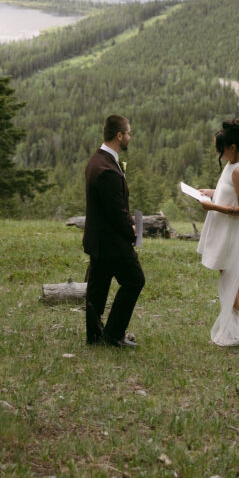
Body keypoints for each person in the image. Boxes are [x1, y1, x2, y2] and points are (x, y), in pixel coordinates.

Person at [83, 114, 145, 350]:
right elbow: (116, 213)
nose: (130, 137)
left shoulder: (97, 160)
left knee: (97, 287)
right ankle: (113, 334)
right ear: (119, 135)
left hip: (99, 239)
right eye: (129, 133)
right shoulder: (107, 169)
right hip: (111, 242)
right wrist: (133, 231)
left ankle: (95, 335)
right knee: (134, 281)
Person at [197, 118, 239, 346]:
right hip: (224, 228)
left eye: (221, 149)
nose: (218, 153)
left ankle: (232, 331)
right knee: (228, 275)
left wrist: (212, 206)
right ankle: (233, 328)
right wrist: (211, 192)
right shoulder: (232, 165)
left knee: (231, 277)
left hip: (232, 232)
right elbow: (229, 191)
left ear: (233, 147)